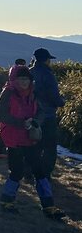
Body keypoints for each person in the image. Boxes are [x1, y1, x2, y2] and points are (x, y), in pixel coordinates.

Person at [0, 65, 64, 219]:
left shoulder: (33, 93)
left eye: (26, 78)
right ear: (14, 79)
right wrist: (21, 123)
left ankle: (49, 205)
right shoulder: (7, 93)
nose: (24, 82)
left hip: (29, 137)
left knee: (39, 170)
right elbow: (0, 115)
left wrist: (35, 122)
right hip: (13, 138)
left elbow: (41, 111)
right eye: (21, 78)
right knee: (17, 171)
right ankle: (7, 201)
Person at [30, 47, 65, 180]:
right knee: (49, 146)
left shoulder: (29, 72)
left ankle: (30, 171)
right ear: (46, 60)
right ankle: (45, 173)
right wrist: (61, 102)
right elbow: (53, 95)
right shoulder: (47, 74)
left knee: (34, 143)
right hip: (48, 114)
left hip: (32, 114)